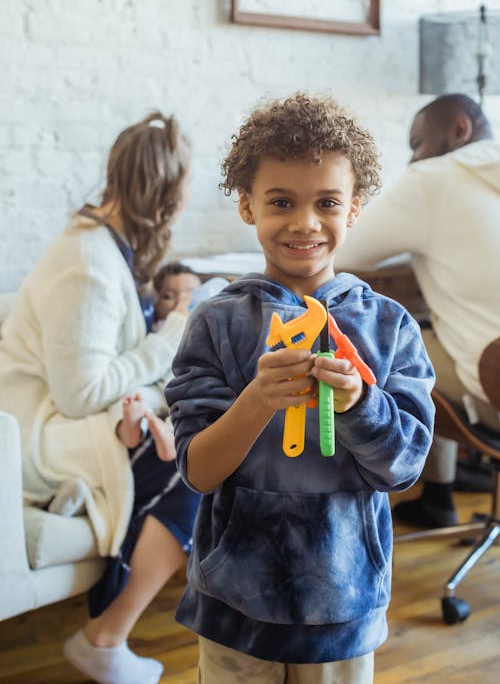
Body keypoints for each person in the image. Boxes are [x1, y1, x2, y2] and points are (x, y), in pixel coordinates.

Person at [165, 92, 435, 683]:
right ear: (247, 206)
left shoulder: (389, 327)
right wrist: (257, 400)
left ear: (355, 208)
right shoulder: (216, 321)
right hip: (236, 609)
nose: (304, 223)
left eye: (328, 203)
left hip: (343, 606)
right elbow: (199, 471)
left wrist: (363, 404)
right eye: (281, 201)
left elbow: (406, 469)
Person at [0, 112, 201, 684]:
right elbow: (79, 391)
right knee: (192, 468)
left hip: (67, 417)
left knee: (198, 441)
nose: (188, 198)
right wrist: (167, 340)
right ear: (162, 192)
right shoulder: (87, 264)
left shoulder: (106, 248)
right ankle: (104, 638)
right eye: (183, 187)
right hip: (35, 434)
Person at [336, 93, 500, 529]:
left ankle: (350, 513)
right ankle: (438, 495)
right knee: (424, 332)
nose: (412, 159)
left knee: (389, 341)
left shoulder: (435, 177)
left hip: (493, 387)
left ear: (458, 130)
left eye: (416, 144)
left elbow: (336, 247)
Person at [152, 260, 202, 331]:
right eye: (168, 296)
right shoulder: (159, 331)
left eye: (192, 294)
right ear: (156, 302)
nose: (181, 302)